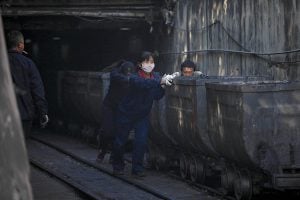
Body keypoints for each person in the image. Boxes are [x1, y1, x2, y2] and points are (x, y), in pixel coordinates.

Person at [97, 60, 173, 162]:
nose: (128, 73)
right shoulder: (116, 74)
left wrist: (161, 81)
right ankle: (103, 150)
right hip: (111, 106)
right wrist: (159, 81)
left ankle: (115, 157)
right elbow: (129, 80)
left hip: (125, 109)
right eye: (127, 71)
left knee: (120, 135)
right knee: (108, 131)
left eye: (130, 71)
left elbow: (148, 86)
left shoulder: (136, 77)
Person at [112, 51, 173, 177]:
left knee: (141, 141)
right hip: (126, 113)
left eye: (151, 62)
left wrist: (163, 86)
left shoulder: (155, 77)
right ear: (140, 64)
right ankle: (118, 165)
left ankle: (137, 169)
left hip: (142, 115)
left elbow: (157, 96)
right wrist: (160, 81)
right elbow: (142, 84)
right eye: (146, 62)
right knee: (120, 141)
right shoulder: (134, 77)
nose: (150, 64)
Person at [7, 30, 48, 138]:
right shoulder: (29, 64)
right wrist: (42, 112)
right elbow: (37, 90)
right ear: (20, 45)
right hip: (24, 116)